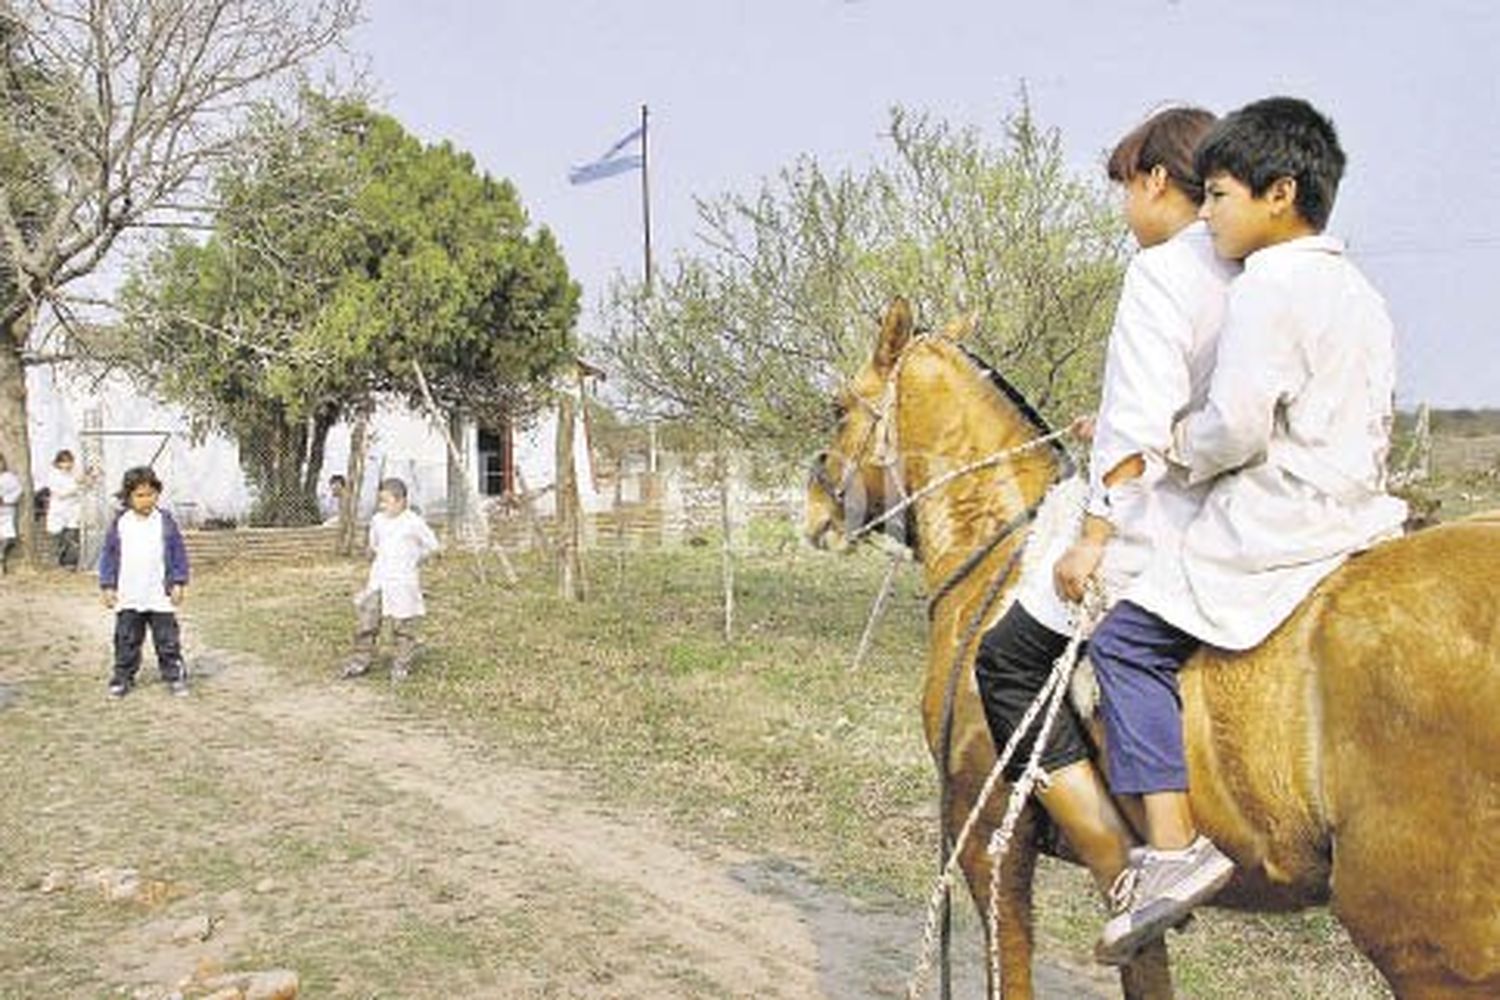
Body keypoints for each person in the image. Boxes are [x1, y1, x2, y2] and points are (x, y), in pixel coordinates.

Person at [1088, 96, 1408, 963]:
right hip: (1357, 507)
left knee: (1122, 643)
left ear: (1280, 193)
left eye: (1221, 195)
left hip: (1278, 516)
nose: (1209, 213)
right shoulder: (1356, 286)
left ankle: (1169, 848)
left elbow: (1234, 427)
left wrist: (1175, 448)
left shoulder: (1268, 284)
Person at [973, 106, 1237, 904]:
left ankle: (1117, 865)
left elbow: (1136, 425)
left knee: (1008, 661)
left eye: (1126, 188)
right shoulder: (1254, 265)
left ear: (1158, 180)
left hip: (1163, 522)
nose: (1126, 209)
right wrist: (1112, 425)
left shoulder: (1162, 270)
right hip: (1240, 507)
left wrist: (1091, 535)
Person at [98, 466, 192, 698]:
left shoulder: (165, 522)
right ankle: (122, 678)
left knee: (167, 639)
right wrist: (108, 586)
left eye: (151, 494)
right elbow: (109, 556)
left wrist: (178, 582)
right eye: (140, 495)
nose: (146, 499)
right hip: (130, 593)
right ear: (128, 497)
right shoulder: (121, 523)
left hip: (158, 594)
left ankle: (174, 676)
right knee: (126, 639)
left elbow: (178, 552)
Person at [342, 477, 439, 682]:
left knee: (402, 625)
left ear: (401, 501)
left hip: (403, 580)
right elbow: (375, 545)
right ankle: (360, 660)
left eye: (387, 501)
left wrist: (414, 559)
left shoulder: (414, 522)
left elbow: (432, 545)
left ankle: (401, 664)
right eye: (381, 501)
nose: (382, 505)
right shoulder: (378, 520)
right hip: (379, 578)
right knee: (367, 621)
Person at [45, 448, 88, 569]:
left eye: (69, 461)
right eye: (64, 462)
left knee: (72, 536)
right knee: (59, 536)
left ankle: (70, 563)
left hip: (73, 509)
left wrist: (87, 481)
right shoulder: (53, 475)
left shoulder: (75, 473)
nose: (67, 464)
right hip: (59, 509)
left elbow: (85, 486)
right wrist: (78, 486)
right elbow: (60, 494)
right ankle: (57, 561)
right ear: (58, 463)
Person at [0, 452, 22, 575]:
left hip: (6, 511)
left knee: (8, 536)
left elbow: (18, 490)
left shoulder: (9, 477)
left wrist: (6, 499)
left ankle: (2, 556)